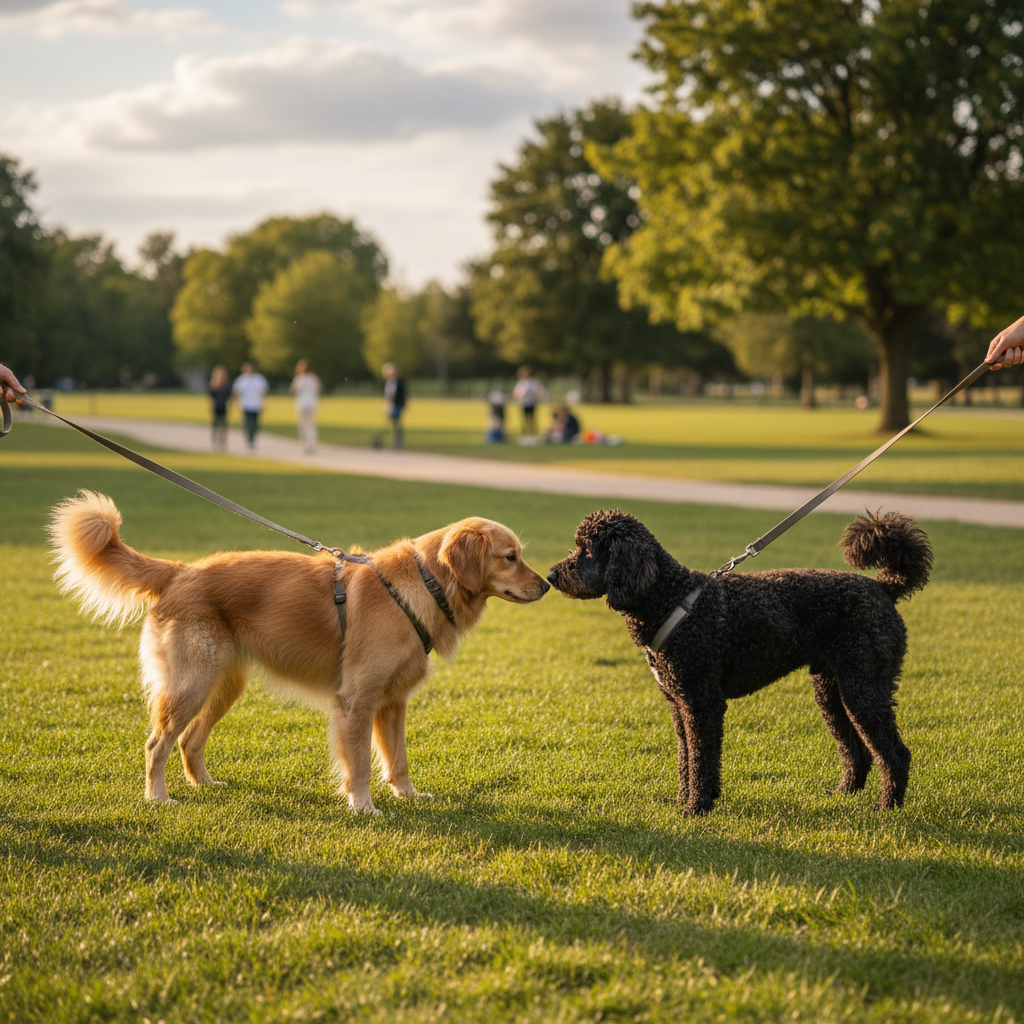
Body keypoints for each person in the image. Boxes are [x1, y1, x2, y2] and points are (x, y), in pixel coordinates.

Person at [232, 362, 269, 451]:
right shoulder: (241, 379)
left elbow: (264, 391)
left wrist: (264, 403)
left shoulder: (258, 379)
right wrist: (238, 402)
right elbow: (236, 392)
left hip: (256, 404)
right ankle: (248, 439)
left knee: (255, 423)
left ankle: (253, 439)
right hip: (246, 404)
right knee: (247, 423)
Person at [290, 359, 322, 453]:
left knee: (310, 425)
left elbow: (318, 389)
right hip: (302, 404)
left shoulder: (311, 378)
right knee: (303, 425)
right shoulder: (300, 378)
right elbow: (293, 390)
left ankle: (312, 444)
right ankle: (305, 444)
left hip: (310, 404)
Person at [512, 365, 543, 437]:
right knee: (524, 420)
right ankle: (525, 434)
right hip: (524, 403)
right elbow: (516, 393)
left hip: (532, 402)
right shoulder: (521, 382)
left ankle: (532, 434)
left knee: (532, 419)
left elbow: (539, 391)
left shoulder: (534, 382)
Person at [382, 362, 406, 449]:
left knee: (396, 423)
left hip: (397, 405)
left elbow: (400, 395)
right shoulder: (390, 382)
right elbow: (388, 396)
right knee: (393, 424)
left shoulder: (399, 382)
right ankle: (395, 443)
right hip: (392, 404)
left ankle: (398, 443)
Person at [209, 365, 231, 451]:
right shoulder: (214, 386)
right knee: (215, 426)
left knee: (223, 426)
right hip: (216, 407)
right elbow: (211, 395)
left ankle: (222, 443)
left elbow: (229, 396)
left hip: (224, 408)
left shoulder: (226, 387)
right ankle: (215, 443)